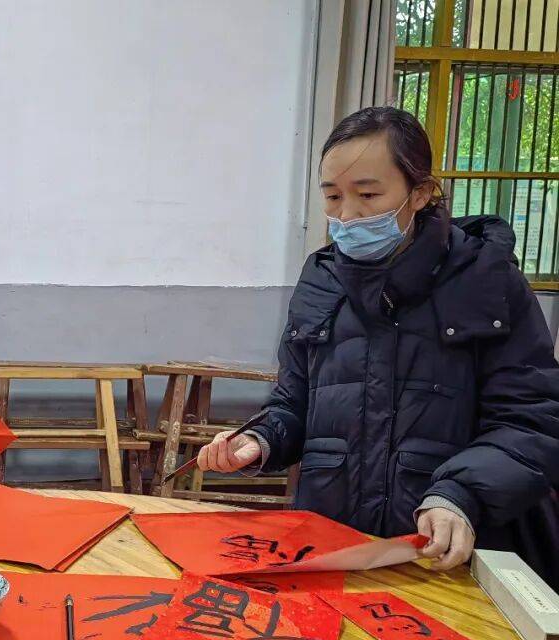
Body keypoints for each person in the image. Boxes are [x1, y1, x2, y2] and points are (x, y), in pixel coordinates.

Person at [198, 106, 559, 590]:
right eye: (332, 196)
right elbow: (294, 402)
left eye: (367, 195)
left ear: (420, 193)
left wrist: (460, 495)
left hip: (444, 555)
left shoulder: (486, 281)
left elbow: (530, 419)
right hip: (334, 545)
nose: (346, 215)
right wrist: (262, 439)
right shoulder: (321, 280)